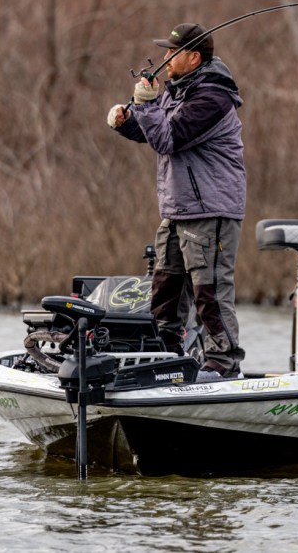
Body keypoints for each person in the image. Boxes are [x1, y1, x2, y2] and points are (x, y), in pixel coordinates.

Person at [107, 23, 246, 382]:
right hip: (178, 209)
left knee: (209, 293)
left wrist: (146, 104)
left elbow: (169, 139)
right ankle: (165, 357)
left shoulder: (213, 99)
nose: (166, 58)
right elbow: (153, 131)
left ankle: (223, 363)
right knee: (164, 290)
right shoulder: (178, 91)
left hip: (210, 212)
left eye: (173, 52)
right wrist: (128, 121)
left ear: (194, 57)